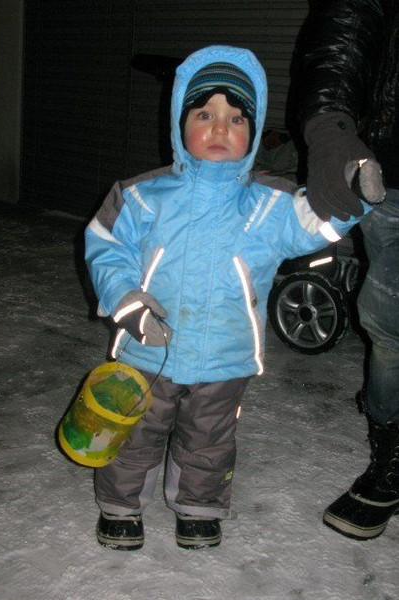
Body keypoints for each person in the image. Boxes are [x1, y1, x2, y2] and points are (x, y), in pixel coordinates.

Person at [85, 44, 370, 551]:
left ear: (253, 133)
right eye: (205, 115)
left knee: (209, 441)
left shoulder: (269, 204)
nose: (220, 128)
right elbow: (107, 247)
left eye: (236, 119)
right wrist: (127, 302)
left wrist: (352, 192)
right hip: (147, 349)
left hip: (225, 356)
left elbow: (318, 221)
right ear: (179, 124)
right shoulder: (143, 196)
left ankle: (198, 508)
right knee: (134, 434)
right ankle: (121, 506)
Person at [295, 0, 399, 541]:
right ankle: (393, 458)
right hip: (394, 175)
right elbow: (348, 22)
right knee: (390, 328)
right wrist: (330, 126)